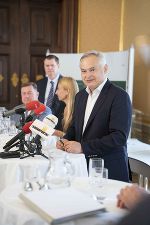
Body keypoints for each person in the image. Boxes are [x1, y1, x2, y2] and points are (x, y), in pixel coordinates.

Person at [56, 50, 132, 182]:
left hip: (109, 170)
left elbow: (118, 137)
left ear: (105, 68)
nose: (87, 75)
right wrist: (66, 140)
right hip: (81, 168)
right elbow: (75, 126)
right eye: (83, 71)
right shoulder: (80, 96)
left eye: (92, 70)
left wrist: (83, 147)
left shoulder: (119, 96)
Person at [36, 55, 65, 130]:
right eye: (47, 65)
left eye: (52, 65)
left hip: (59, 125)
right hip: (40, 124)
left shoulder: (65, 82)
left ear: (58, 65)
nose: (49, 68)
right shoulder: (39, 83)